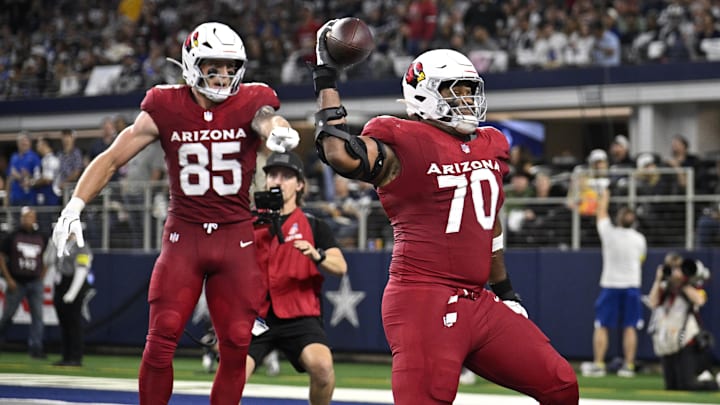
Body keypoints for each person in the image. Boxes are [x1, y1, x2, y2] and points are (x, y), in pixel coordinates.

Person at [309, 21, 578, 404]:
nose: (467, 100)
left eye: (471, 91)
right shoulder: (403, 139)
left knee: (561, 385)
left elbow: (490, 224)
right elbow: (338, 151)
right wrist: (326, 75)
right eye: (455, 92)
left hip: (478, 300)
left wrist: (504, 291)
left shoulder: (492, 143)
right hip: (423, 299)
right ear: (423, 96)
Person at [51, 22, 300, 405]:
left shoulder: (252, 100)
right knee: (161, 336)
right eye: (213, 67)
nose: (223, 76)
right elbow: (113, 157)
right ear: (191, 64)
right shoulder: (164, 106)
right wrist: (74, 205)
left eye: (231, 67)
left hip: (237, 236)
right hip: (185, 235)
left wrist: (279, 130)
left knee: (236, 343)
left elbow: (267, 119)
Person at [246, 152, 348, 405]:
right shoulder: (247, 223)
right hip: (257, 316)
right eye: (272, 175)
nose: (277, 181)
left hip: (300, 315)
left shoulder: (314, 225)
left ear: (300, 184)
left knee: (323, 368)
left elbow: (340, 266)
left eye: (286, 176)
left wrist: (317, 255)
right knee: (231, 374)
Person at [582, 188, 647, 378]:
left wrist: (605, 193)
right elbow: (642, 258)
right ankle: (627, 366)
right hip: (630, 286)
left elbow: (601, 211)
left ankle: (599, 364)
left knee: (603, 325)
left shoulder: (609, 233)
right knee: (629, 326)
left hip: (611, 286)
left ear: (619, 219)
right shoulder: (639, 239)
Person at [647, 254, 719, 390]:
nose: (674, 272)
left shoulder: (691, 286)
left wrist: (682, 284)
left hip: (686, 341)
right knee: (672, 387)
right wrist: (658, 281)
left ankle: (715, 383)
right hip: (668, 341)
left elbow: (699, 300)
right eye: (671, 268)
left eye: (677, 268)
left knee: (687, 385)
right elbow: (652, 302)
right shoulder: (665, 288)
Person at [0, 206, 48, 359]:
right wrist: (8, 278)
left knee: (38, 316)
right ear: (21, 218)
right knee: (8, 315)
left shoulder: (41, 237)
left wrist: (43, 275)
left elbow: (48, 256)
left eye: (31, 217)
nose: (28, 219)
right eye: (26, 216)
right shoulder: (13, 236)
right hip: (17, 281)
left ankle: (36, 348)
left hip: (35, 282)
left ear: (35, 219)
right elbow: (1, 256)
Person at [46, 234, 93, 367]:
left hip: (74, 284)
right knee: (64, 323)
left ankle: (76, 357)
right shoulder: (59, 244)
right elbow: (48, 261)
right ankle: (66, 356)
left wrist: (72, 292)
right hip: (60, 285)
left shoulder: (81, 245)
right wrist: (52, 243)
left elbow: (82, 269)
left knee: (74, 323)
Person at [6, 132, 41, 207]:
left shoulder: (34, 157)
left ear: (29, 142)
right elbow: (9, 177)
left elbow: (38, 178)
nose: (23, 143)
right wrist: (7, 197)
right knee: (14, 218)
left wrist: (25, 176)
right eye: (21, 141)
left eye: (25, 141)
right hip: (14, 197)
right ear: (17, 143)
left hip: (29, 198)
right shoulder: (14, 157)